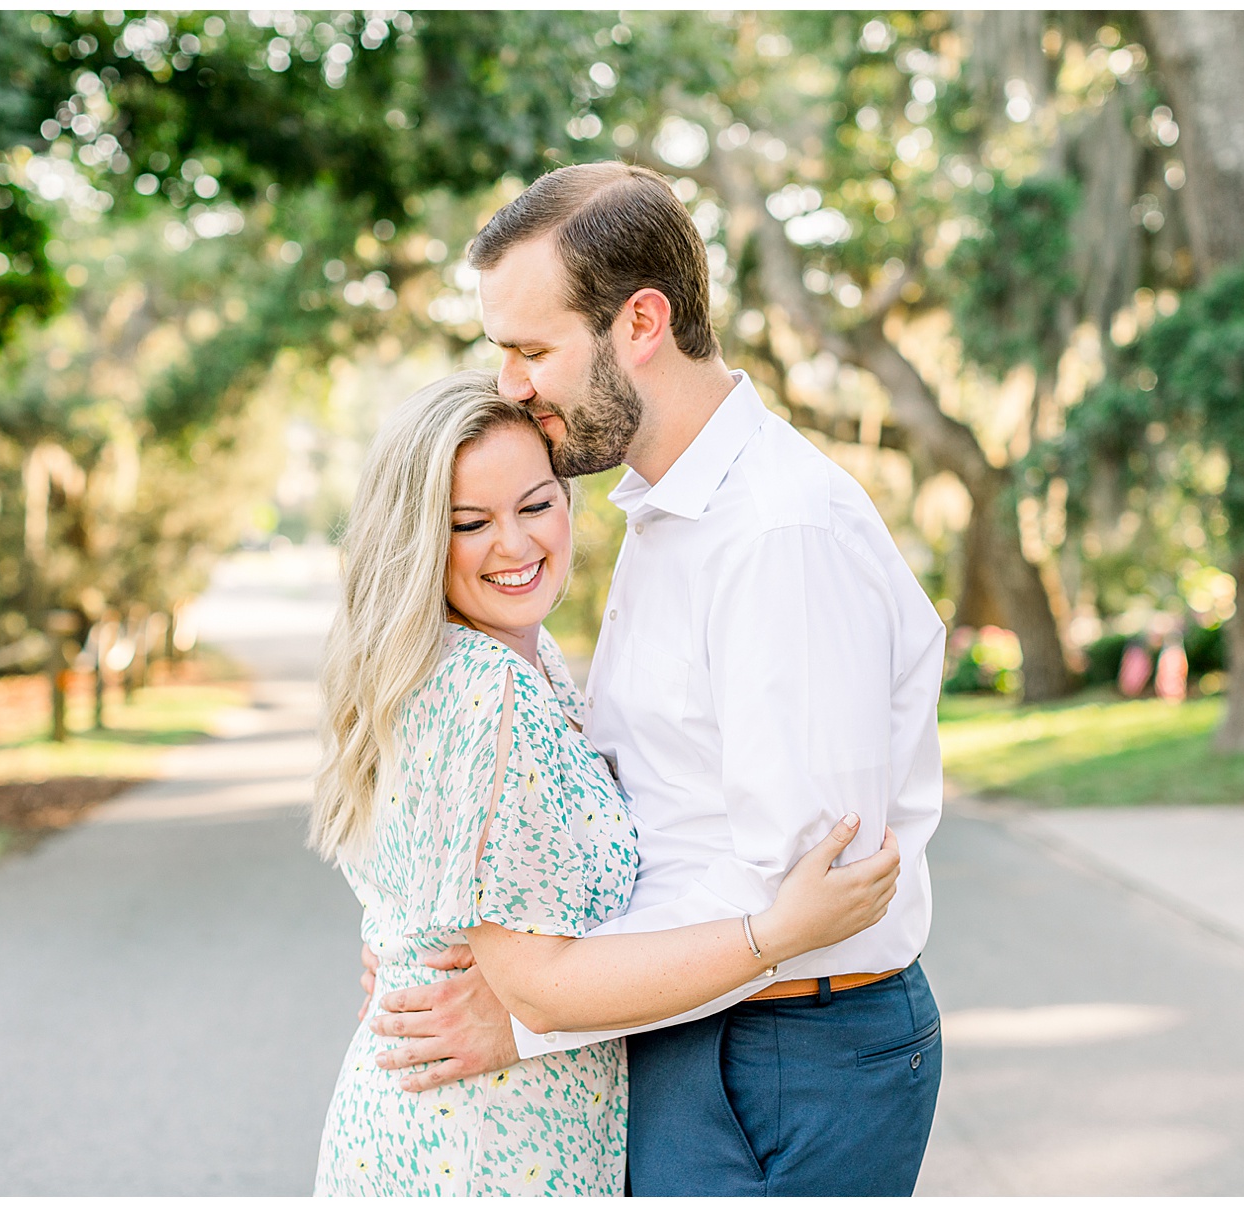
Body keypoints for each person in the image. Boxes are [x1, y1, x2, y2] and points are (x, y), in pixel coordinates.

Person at [363, 162, 949, 1196]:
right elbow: (643, 812)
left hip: (782, 1052)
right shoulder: (664, 509)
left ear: (641, 321)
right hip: (689, 1027)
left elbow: (806, 892)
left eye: (531, 349)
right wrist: (442, 947)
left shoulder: (777, 535)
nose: (510, 384)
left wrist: (530, 1008)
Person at [310, 370, 904, 1196]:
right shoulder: (488, 688)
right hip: (482, 1148)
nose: (515, 545)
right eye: (470, 522)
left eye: (537, 503)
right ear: (416, 539)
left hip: (490, 1124)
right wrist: (778, 929)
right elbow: (541, 987)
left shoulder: (521, 655)